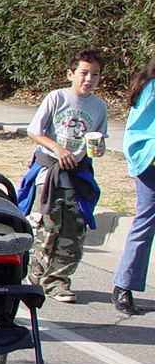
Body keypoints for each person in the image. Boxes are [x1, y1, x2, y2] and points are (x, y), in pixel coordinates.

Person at [18, 48, 107, 303]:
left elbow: (98, 143)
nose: (88, 79)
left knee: (73, 229)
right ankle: (35, 279)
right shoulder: (56, 98)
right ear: (71, 74)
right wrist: (57, 148)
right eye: (83, 73)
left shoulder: (99, 107)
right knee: (47, 227)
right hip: (50, 173)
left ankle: (58, 281)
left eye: (95, 74)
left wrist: (97, 149)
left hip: (77, 175)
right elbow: (34, 131)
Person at [113, 54, 155, 315]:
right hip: (151, 168)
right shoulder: (150, 88)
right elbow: (137, 133)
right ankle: (123, 286)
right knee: (145, 223)